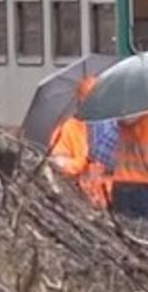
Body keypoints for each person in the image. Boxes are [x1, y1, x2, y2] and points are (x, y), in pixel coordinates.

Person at [47, 76, 109, 207]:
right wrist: (81, 165)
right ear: (81, 101)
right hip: (80, 198)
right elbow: (57, 162)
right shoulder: (68, 128)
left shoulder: (113, 127)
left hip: (109, 197)